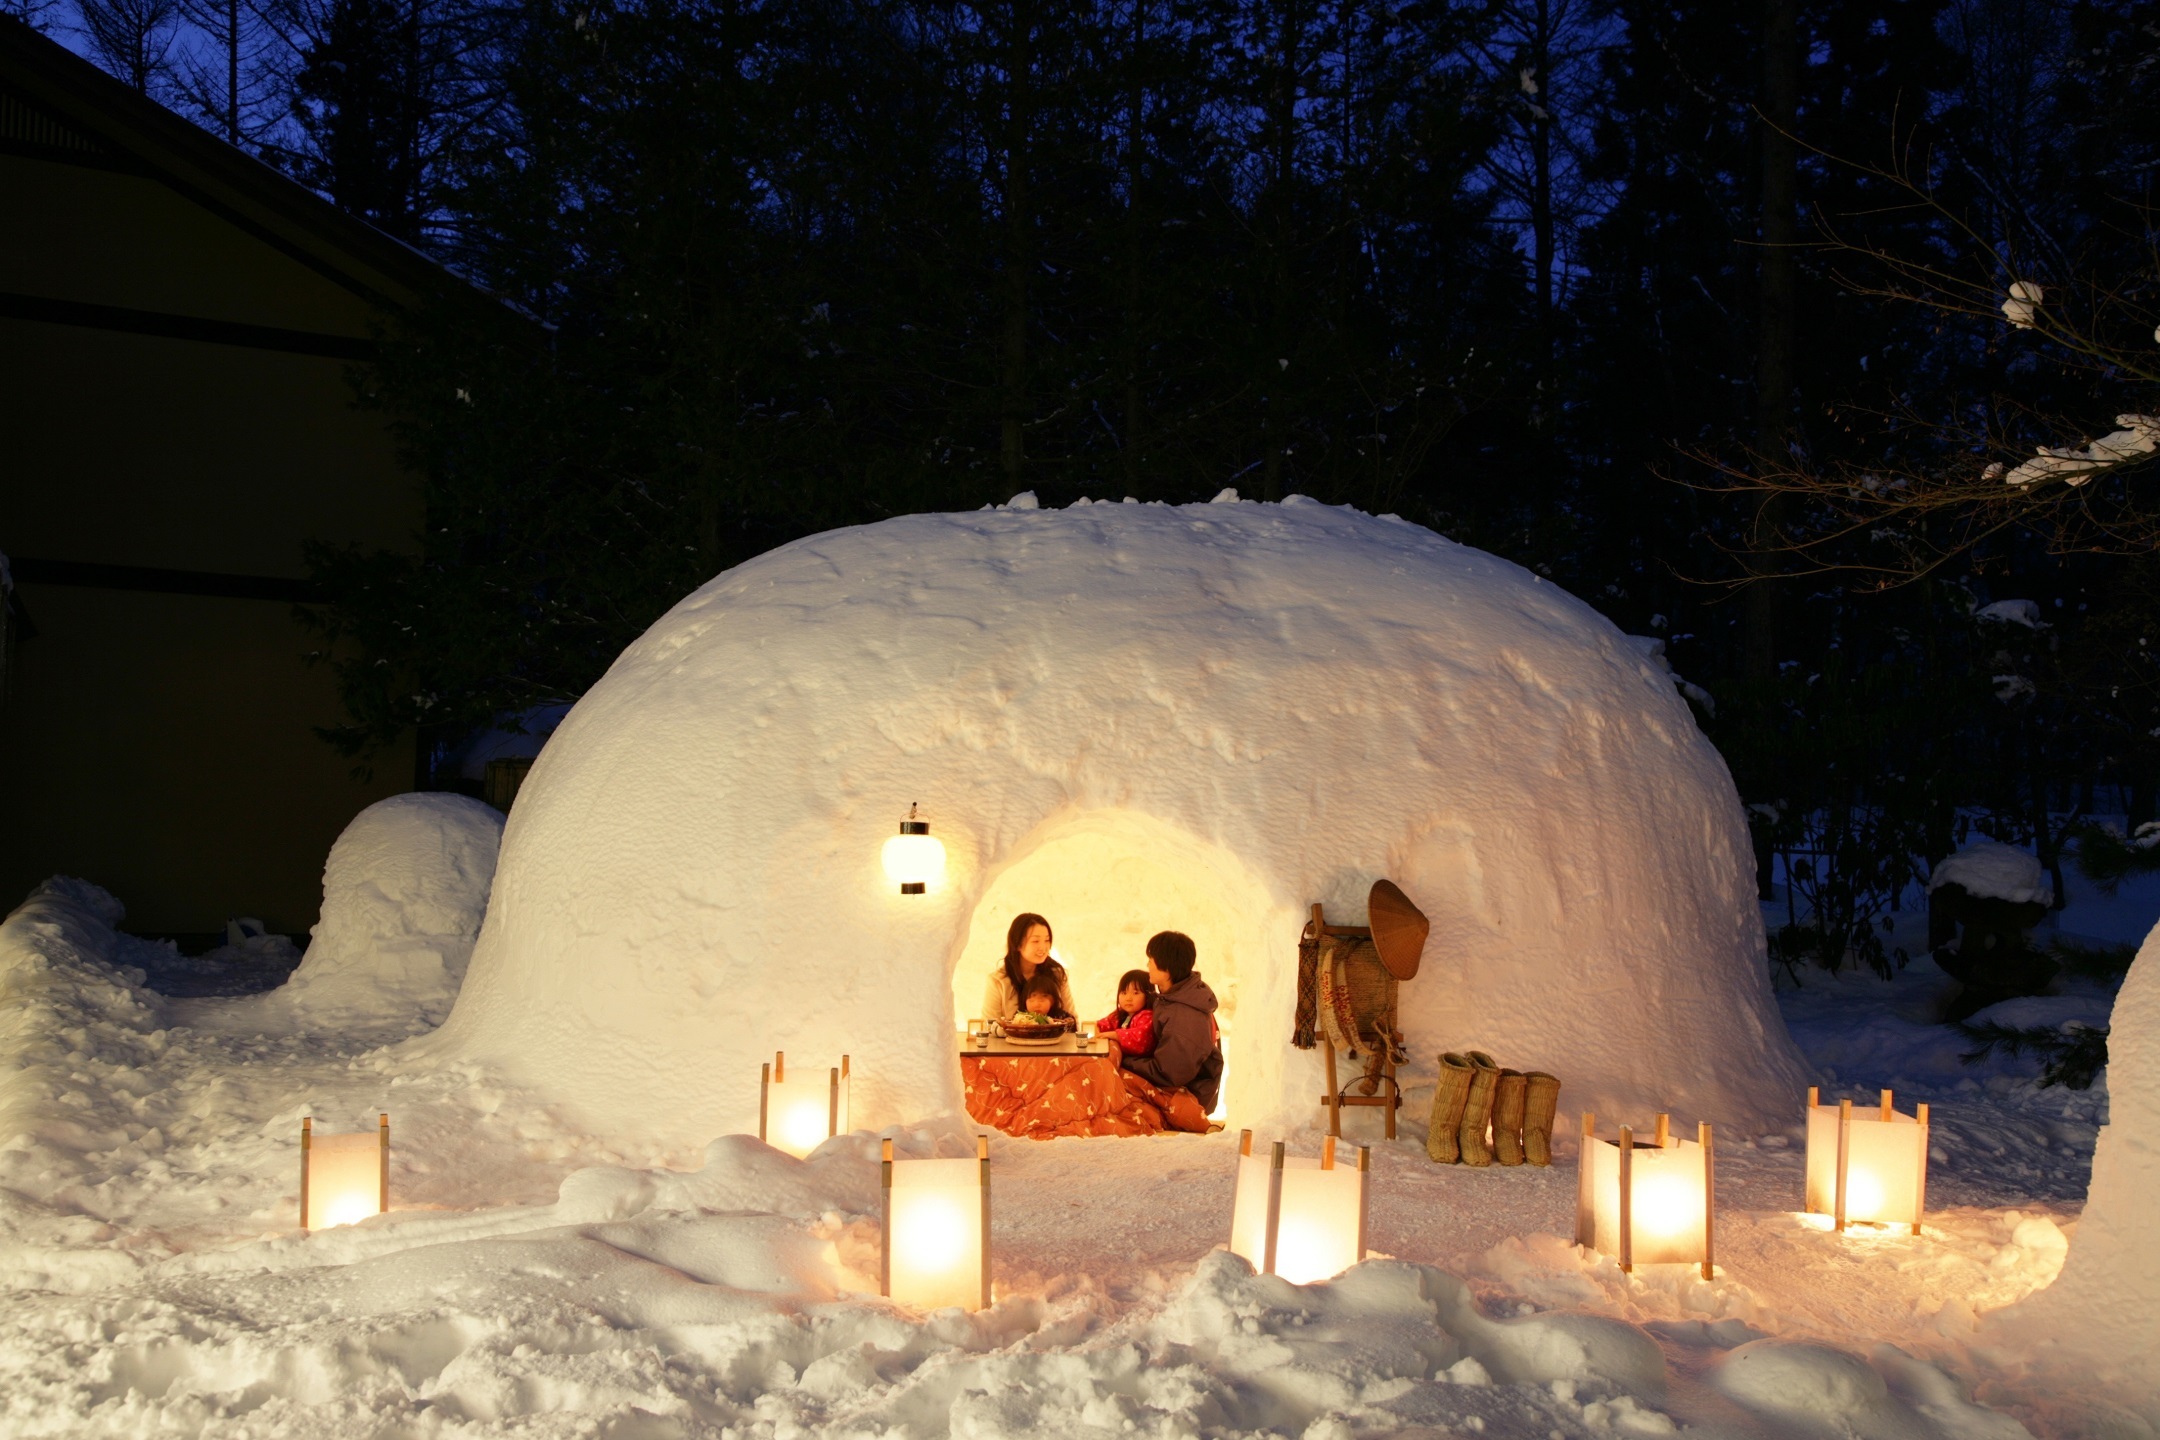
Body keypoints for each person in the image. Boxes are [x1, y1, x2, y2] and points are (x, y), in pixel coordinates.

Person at [1119, 931, 1224, 1113]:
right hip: (1173, 1079)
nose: (1147, 965)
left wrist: (1124, 1060)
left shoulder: (1184, 1017)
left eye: (1150, 959)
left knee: (1104, 1081)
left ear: (1165, 968)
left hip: (1185, 1095)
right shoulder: (1176, 995)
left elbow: (1168, 1073)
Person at [981, 912, 1076, 1024]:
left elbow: (1072, 1021)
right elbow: (989, 1027)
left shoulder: (1057, 974)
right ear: (1018, 944)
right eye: (1035, 941)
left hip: (1054, 1040)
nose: (1043, 947)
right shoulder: (998, 981)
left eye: (1047, 940)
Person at [1097, 969, 1158, 1056]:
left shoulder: (1147, 1016)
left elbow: (1140, 1039)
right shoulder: (1120, 1013)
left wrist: (1114, 1035)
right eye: (1124, 992)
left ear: (1148, 996)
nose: (1128, 998)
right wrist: (1096, 1028)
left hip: (1136, 1060)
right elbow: (1104, 1024)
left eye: (1135, 993)